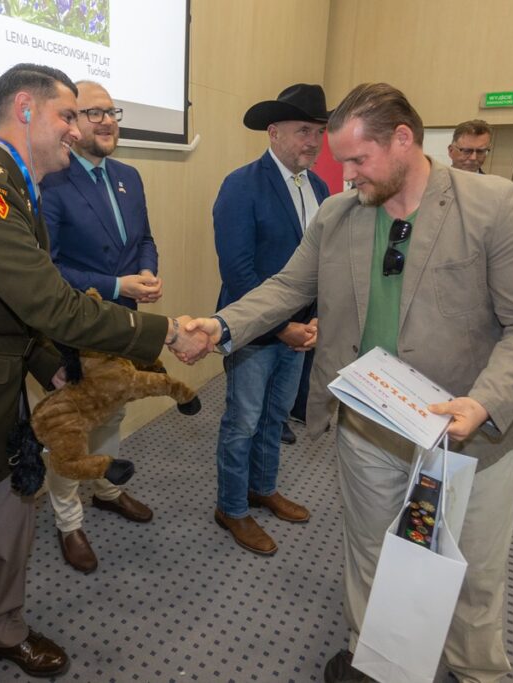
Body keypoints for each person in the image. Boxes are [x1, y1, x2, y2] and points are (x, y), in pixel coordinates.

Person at [185, 83, 513, 682]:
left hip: (466, 438)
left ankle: (476, 671)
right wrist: (220, 324)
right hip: (370, 429)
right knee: (371, 556)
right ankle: (382, 664)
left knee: (469, 572)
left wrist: (485, 402)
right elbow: (287, 288)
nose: (348, 174)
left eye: (358, 160)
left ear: (404, 140)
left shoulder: (495, 207)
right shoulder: (340, 215)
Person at [0, 63, 208, 682]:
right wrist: (165, 332)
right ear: (27, 110)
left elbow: (11, 312)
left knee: (11, 529)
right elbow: (51, 304)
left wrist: (49, 370)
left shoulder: (20, 195)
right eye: (68, 115)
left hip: (5, 400)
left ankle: (2, 631)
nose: (76, 129)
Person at [40, 81, 159, 573]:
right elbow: (45, 268)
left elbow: (144, 240)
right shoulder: (52, 182)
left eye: (113, 112)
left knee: (114, 411)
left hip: (124, 323)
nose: (108, 121)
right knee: (74, 428)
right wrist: (115, 284)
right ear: (70, 122)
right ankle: (69, 521)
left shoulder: (129, 175)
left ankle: (108, 488)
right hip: (78, 324)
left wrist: (148, 273)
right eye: (94, 112)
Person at [210, 84, 329, 555]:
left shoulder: (319, 188)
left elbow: (323, 264)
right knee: (243, 419)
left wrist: (315, 321)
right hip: (258, 332)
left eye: (319, 132)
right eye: (304, 131)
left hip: (302, 330)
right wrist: (280, 326)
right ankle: (232, 507)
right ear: (274, 132)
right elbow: (238, 272)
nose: (314, 142)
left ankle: (262, 487)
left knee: (276, 416)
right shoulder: (241, 184)